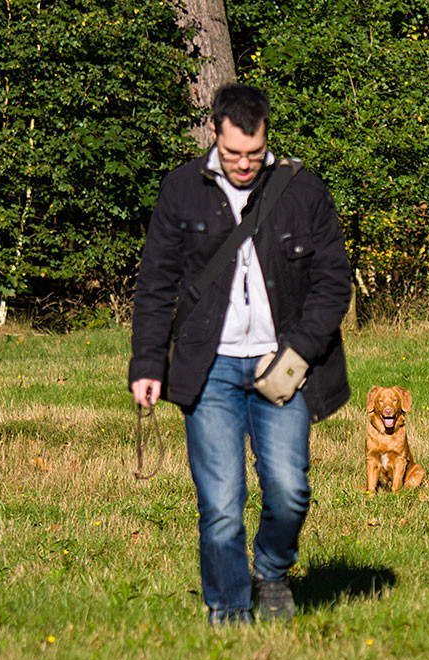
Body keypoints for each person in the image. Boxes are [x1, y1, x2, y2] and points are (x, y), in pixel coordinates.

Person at [128, 83, 351, 626]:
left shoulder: (303, 190)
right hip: (210, 370)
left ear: (266, 137)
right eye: (233, 153)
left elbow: (333, 282)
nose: (244, 163)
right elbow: (156, 283)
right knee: (222, 504)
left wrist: (298, 353)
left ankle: (270, 572)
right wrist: (147, 364)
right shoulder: (181, 189)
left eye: (254, 152)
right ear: (214, 133)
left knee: (290, 490)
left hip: (281, 365)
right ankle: (228, 611)